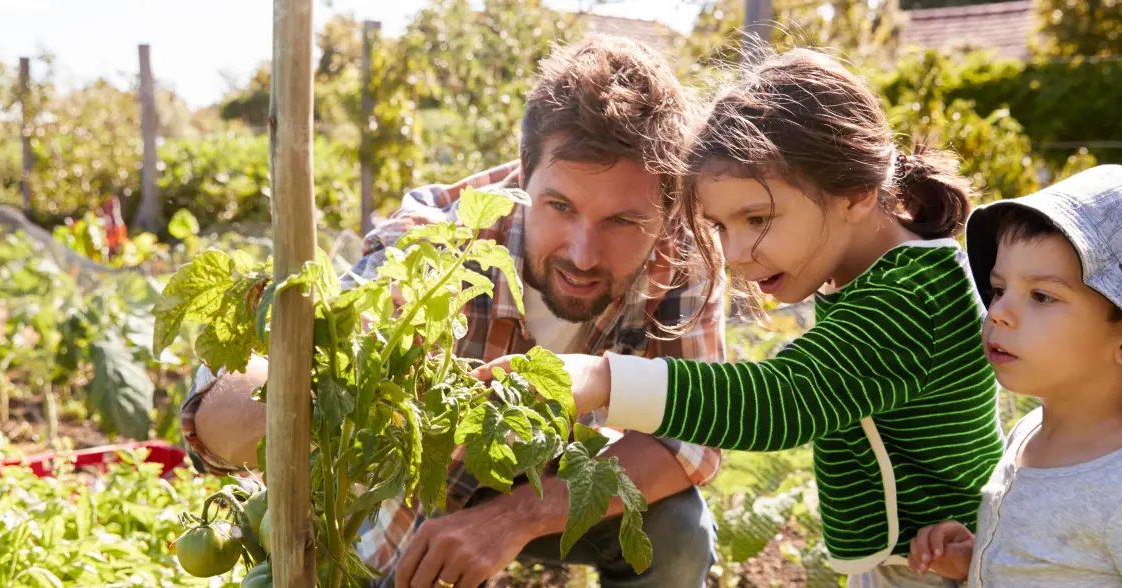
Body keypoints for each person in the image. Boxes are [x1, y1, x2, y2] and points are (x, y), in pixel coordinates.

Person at [183, 36, 726, 588]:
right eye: (559, 207)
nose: (583, 255)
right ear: (523, 173)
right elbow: (220, 407)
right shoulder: (442, 240)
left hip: (552, 481)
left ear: (668, 206)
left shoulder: (685, 259)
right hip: (413, 502)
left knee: (677, 531)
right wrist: (332, 383)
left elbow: (696, 436)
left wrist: (514, 517)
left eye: (622, 222)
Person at [481, 49, 1005, 587]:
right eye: (720, 227)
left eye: (757, 218)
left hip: (950, 564)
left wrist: (601, 379)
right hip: (920, 557)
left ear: (854, 192)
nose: (734, 254)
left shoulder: (910, 296)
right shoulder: (879, 278)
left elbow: (782, 400)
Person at [906, 165, 1122, 586]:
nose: (998, 312)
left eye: (1042, 296)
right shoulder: (1029, 432)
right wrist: (979, 558)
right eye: (1000, 289)